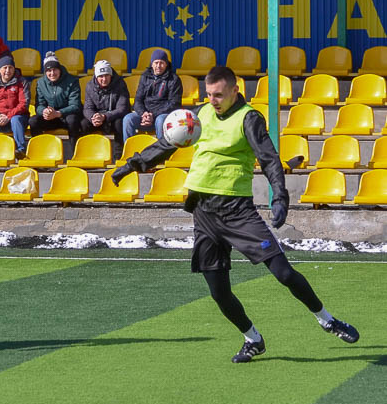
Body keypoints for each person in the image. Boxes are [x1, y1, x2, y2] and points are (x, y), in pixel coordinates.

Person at [111, 66, 359, 363]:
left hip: (237, 212)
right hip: (203, 213)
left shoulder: (249, 118)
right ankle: (252, 338)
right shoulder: (200, 115)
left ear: (234, 90)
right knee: (218, 292)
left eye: (218, 95)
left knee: (283, 272)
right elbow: (168, 144)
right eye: (209, 94)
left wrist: (280, 195)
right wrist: (132, 165)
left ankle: (326, 319)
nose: (212, 100)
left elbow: (268, 159)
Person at [122, 49, 182, 142]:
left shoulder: (174, 79)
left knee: (160, 120)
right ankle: (129, 150)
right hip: (145, 115)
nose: (158, 66)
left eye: (161, 63)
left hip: (161, 115)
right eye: (156, 62)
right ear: (152, 64)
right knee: (128, 119)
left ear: (166, 64)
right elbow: (138, 100)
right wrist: (144, 114)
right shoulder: (145, 77)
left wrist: (153, 115)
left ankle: (160, 151)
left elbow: (174, 104)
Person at [29, 51, 82, 153]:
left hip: (67, 116)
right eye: (49, 70)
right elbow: (39, 104)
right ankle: (40, 154)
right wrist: (44, 111)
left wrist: (58, 113)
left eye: (55, 70)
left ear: (60, 69)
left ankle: (75, 155)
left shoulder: (72, 81)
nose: (52, 73)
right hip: (51, 117)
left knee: (73, 120)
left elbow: (75, 105)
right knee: (33, 121)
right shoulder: (40, 83)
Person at [81, 59, 131, 160]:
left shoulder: (120, 84)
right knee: (83, 123)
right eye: (100, 76)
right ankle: (87, 155)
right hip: (98, 118)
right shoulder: (90, 86)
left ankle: (119, 156)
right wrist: (93, 117)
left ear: (111, 75)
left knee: (119, 122)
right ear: (96, 76)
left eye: (106, 75)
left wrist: (104, 116)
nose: (104, 79)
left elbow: (122, 108)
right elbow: (87, 108)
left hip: (113, 117)